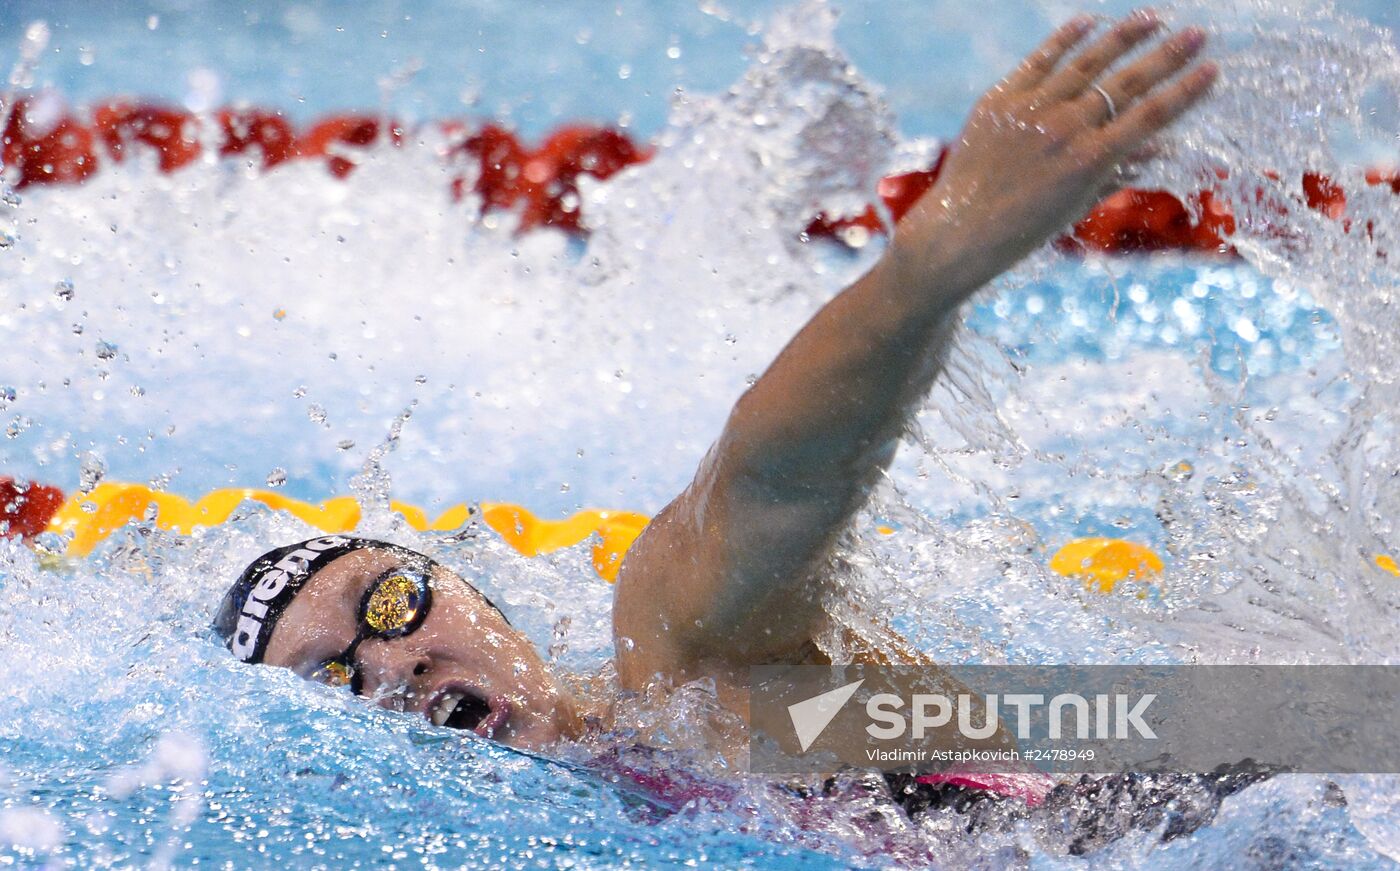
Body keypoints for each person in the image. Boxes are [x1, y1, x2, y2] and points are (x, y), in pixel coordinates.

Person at [214, 6, 1218, 790]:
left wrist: (932, 261)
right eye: (333, 683)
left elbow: (771, 486)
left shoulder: (680, 680)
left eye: (391, 604)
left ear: (479, 597)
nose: (394, 670)